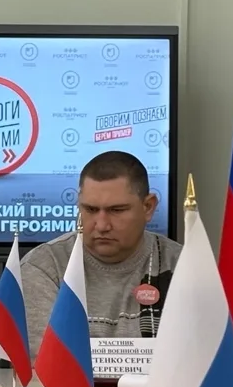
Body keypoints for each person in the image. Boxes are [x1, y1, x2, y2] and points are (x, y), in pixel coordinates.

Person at [21, 151, 180, 357]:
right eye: (90, 209)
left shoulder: (183, 266)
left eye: (117, 210)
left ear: (148, 207)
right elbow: (48, 362)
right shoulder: (44, 268)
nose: (102, 225)